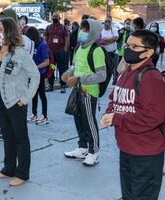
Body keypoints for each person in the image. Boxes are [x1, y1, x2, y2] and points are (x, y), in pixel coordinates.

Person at [101, 30, 165, 200]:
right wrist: (110, 113)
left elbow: (153, 117)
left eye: (134, 46)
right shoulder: (126, 72)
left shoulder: (151, 78)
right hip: (127, 148)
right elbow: (114, 98)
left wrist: (118, 119)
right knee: (129, 195)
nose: (128, 49)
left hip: (146, 153)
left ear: (149, 52)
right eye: (127, 45)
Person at [0, 17, 40, 186]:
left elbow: (35, 75)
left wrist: (25, 98)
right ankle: (8, 169)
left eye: (2, 30)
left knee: (20, 138)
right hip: (0, 101)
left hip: (15, 102)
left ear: (10, 32)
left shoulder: (19, 53)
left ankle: (22, 173)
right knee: (8, 136)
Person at [62, 19, 106, 167]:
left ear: (93, 32)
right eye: (83, 29)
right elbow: (75, 66)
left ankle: (94, 152)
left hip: (89, 91)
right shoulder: (78, 48)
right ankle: (82, 147)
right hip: (77, 90)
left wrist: (79, 79)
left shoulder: (96, 50)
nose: (83, 32)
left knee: (89, 122)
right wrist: (67, 73)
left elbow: (102, 75)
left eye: (86, 30)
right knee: (78, 119)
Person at [0, 8, 35, 140]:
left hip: (19, 84)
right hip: (3, 83)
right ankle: (5, 130)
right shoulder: (2, 40)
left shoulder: (25, 41)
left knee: (18, 121)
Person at [25, 27, 49, 125]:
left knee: (41, 93)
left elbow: (46, 62)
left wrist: (36, 67)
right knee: (33, 93)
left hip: (40, 73)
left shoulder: (42, 45)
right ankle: (34, 113)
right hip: (32, 73)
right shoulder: (31, 45)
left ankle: (44, 115)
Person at [44, 12, 69, 93]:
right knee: (51, 68)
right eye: (54, 16)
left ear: (59, 18)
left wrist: (65, 48)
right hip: (51, 53)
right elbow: (45, 37)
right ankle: (50, 85)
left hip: (60, 51)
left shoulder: (63, 28)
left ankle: (63, 85)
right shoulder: (48, 27)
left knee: (62, 69)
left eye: (56, 16)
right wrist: (46, 48)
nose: (55, 17)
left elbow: (66, 37)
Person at [101, 16, 119, 84]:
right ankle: (105, 81)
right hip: (105, 53)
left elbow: (115, 38)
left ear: (111, 22)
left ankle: (116, 82)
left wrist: (105, 40)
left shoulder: (114, 29)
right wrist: (110, 40)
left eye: (109, 21)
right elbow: (100, 41)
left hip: (113, 52)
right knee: (106, 68)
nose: (107, 23)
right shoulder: (101, 30)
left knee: (116, 68)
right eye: (106, 21)